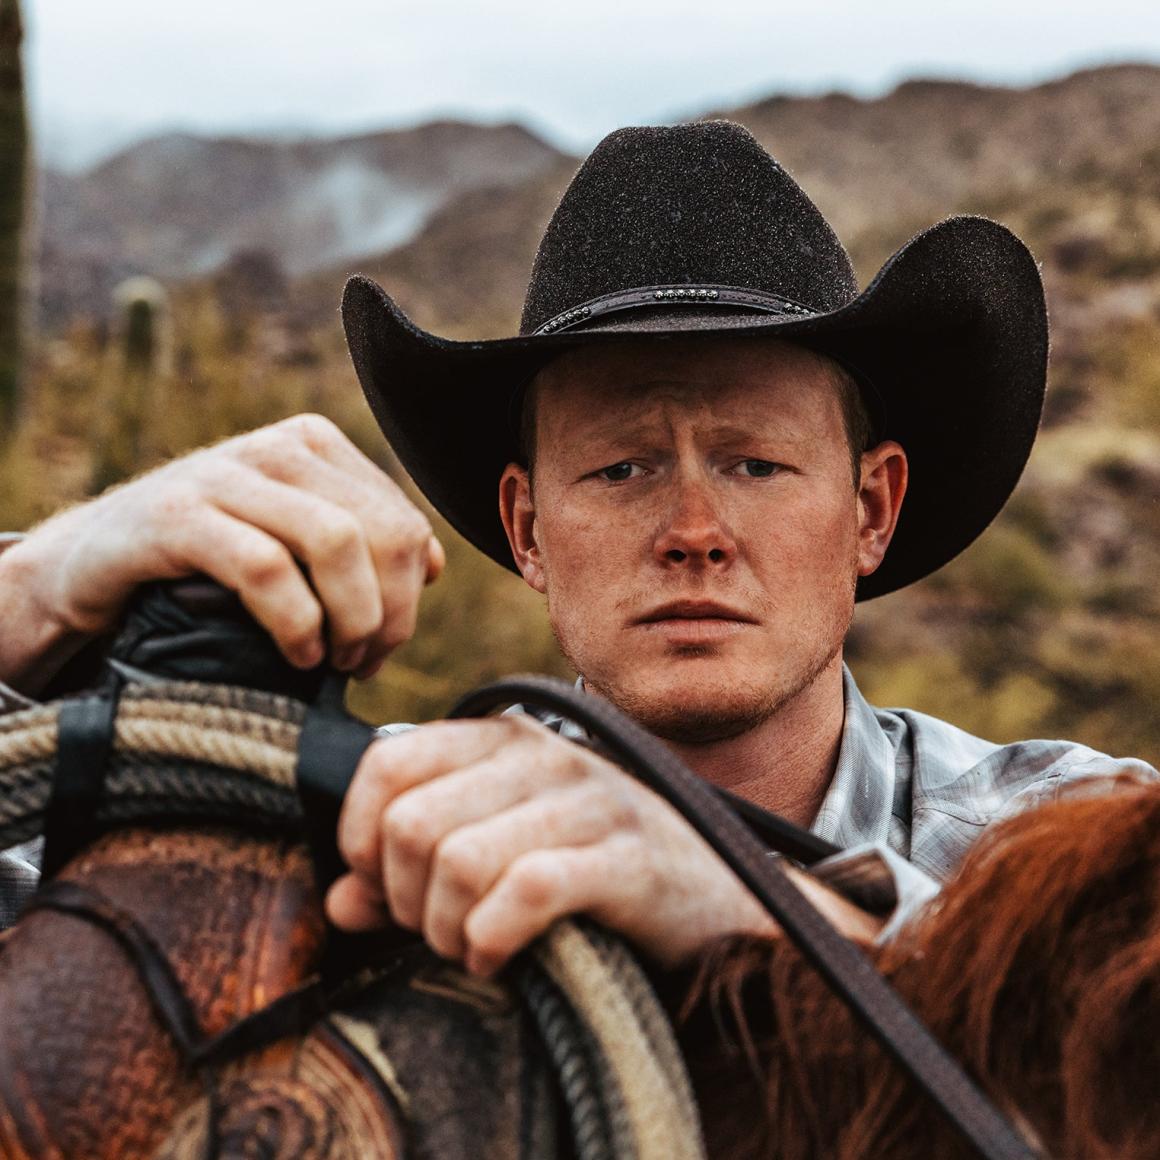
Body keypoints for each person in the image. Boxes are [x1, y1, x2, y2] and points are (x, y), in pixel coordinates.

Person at [0, 121, 1150, 973]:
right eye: (620, 468)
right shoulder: (375, 832)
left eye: (756, 463)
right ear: (525, 527)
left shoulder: (1050, 832)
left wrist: (754, 911)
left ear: (868, 509)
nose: (695, 533)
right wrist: (26, 594)